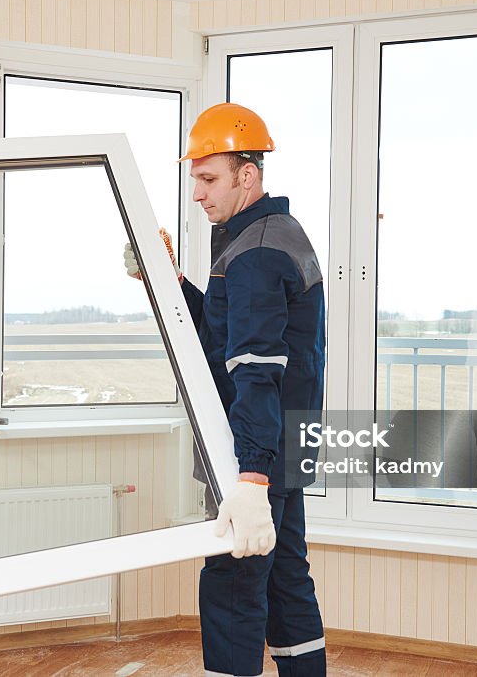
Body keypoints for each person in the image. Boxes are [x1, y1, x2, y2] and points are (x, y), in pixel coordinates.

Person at [125, 102, 327, 676]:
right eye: (195, 178)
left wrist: (251, 480)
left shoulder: (255, 254)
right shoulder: (267, 236)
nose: (197, 193)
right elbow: (223, 333)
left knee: (233, 591)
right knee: (286, 583)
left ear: (248, 173)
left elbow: (257, 373)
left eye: (209, 178)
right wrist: (166, 279)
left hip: (255, 453)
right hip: (283, 446)